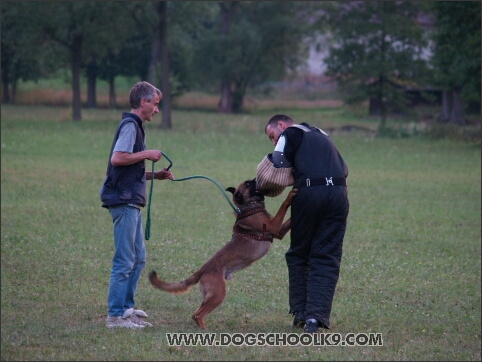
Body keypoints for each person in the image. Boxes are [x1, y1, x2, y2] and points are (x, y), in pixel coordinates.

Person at [261, 114, 349, 333]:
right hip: (339, 194)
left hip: (308, 193)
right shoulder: (322, 134)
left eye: (272, 135)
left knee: (300, 254)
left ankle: (301, 314)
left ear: (281, 125)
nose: (274, 140)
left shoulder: (290, 133)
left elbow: (277, 162)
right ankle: (315, 318)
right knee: (327, 255)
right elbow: (344, 169)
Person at [99, 81, 173, 329]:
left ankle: (126, 309)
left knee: (138, 258)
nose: (156, 109)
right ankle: (115, 316)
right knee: (125, 260)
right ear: (143, 102)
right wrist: (146, 154)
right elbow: (118, 158)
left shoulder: (137, 127)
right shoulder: (130, 125)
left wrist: (156, 175)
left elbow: (129, 167)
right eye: (155, 104)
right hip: (123, 201)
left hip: (131, 200)